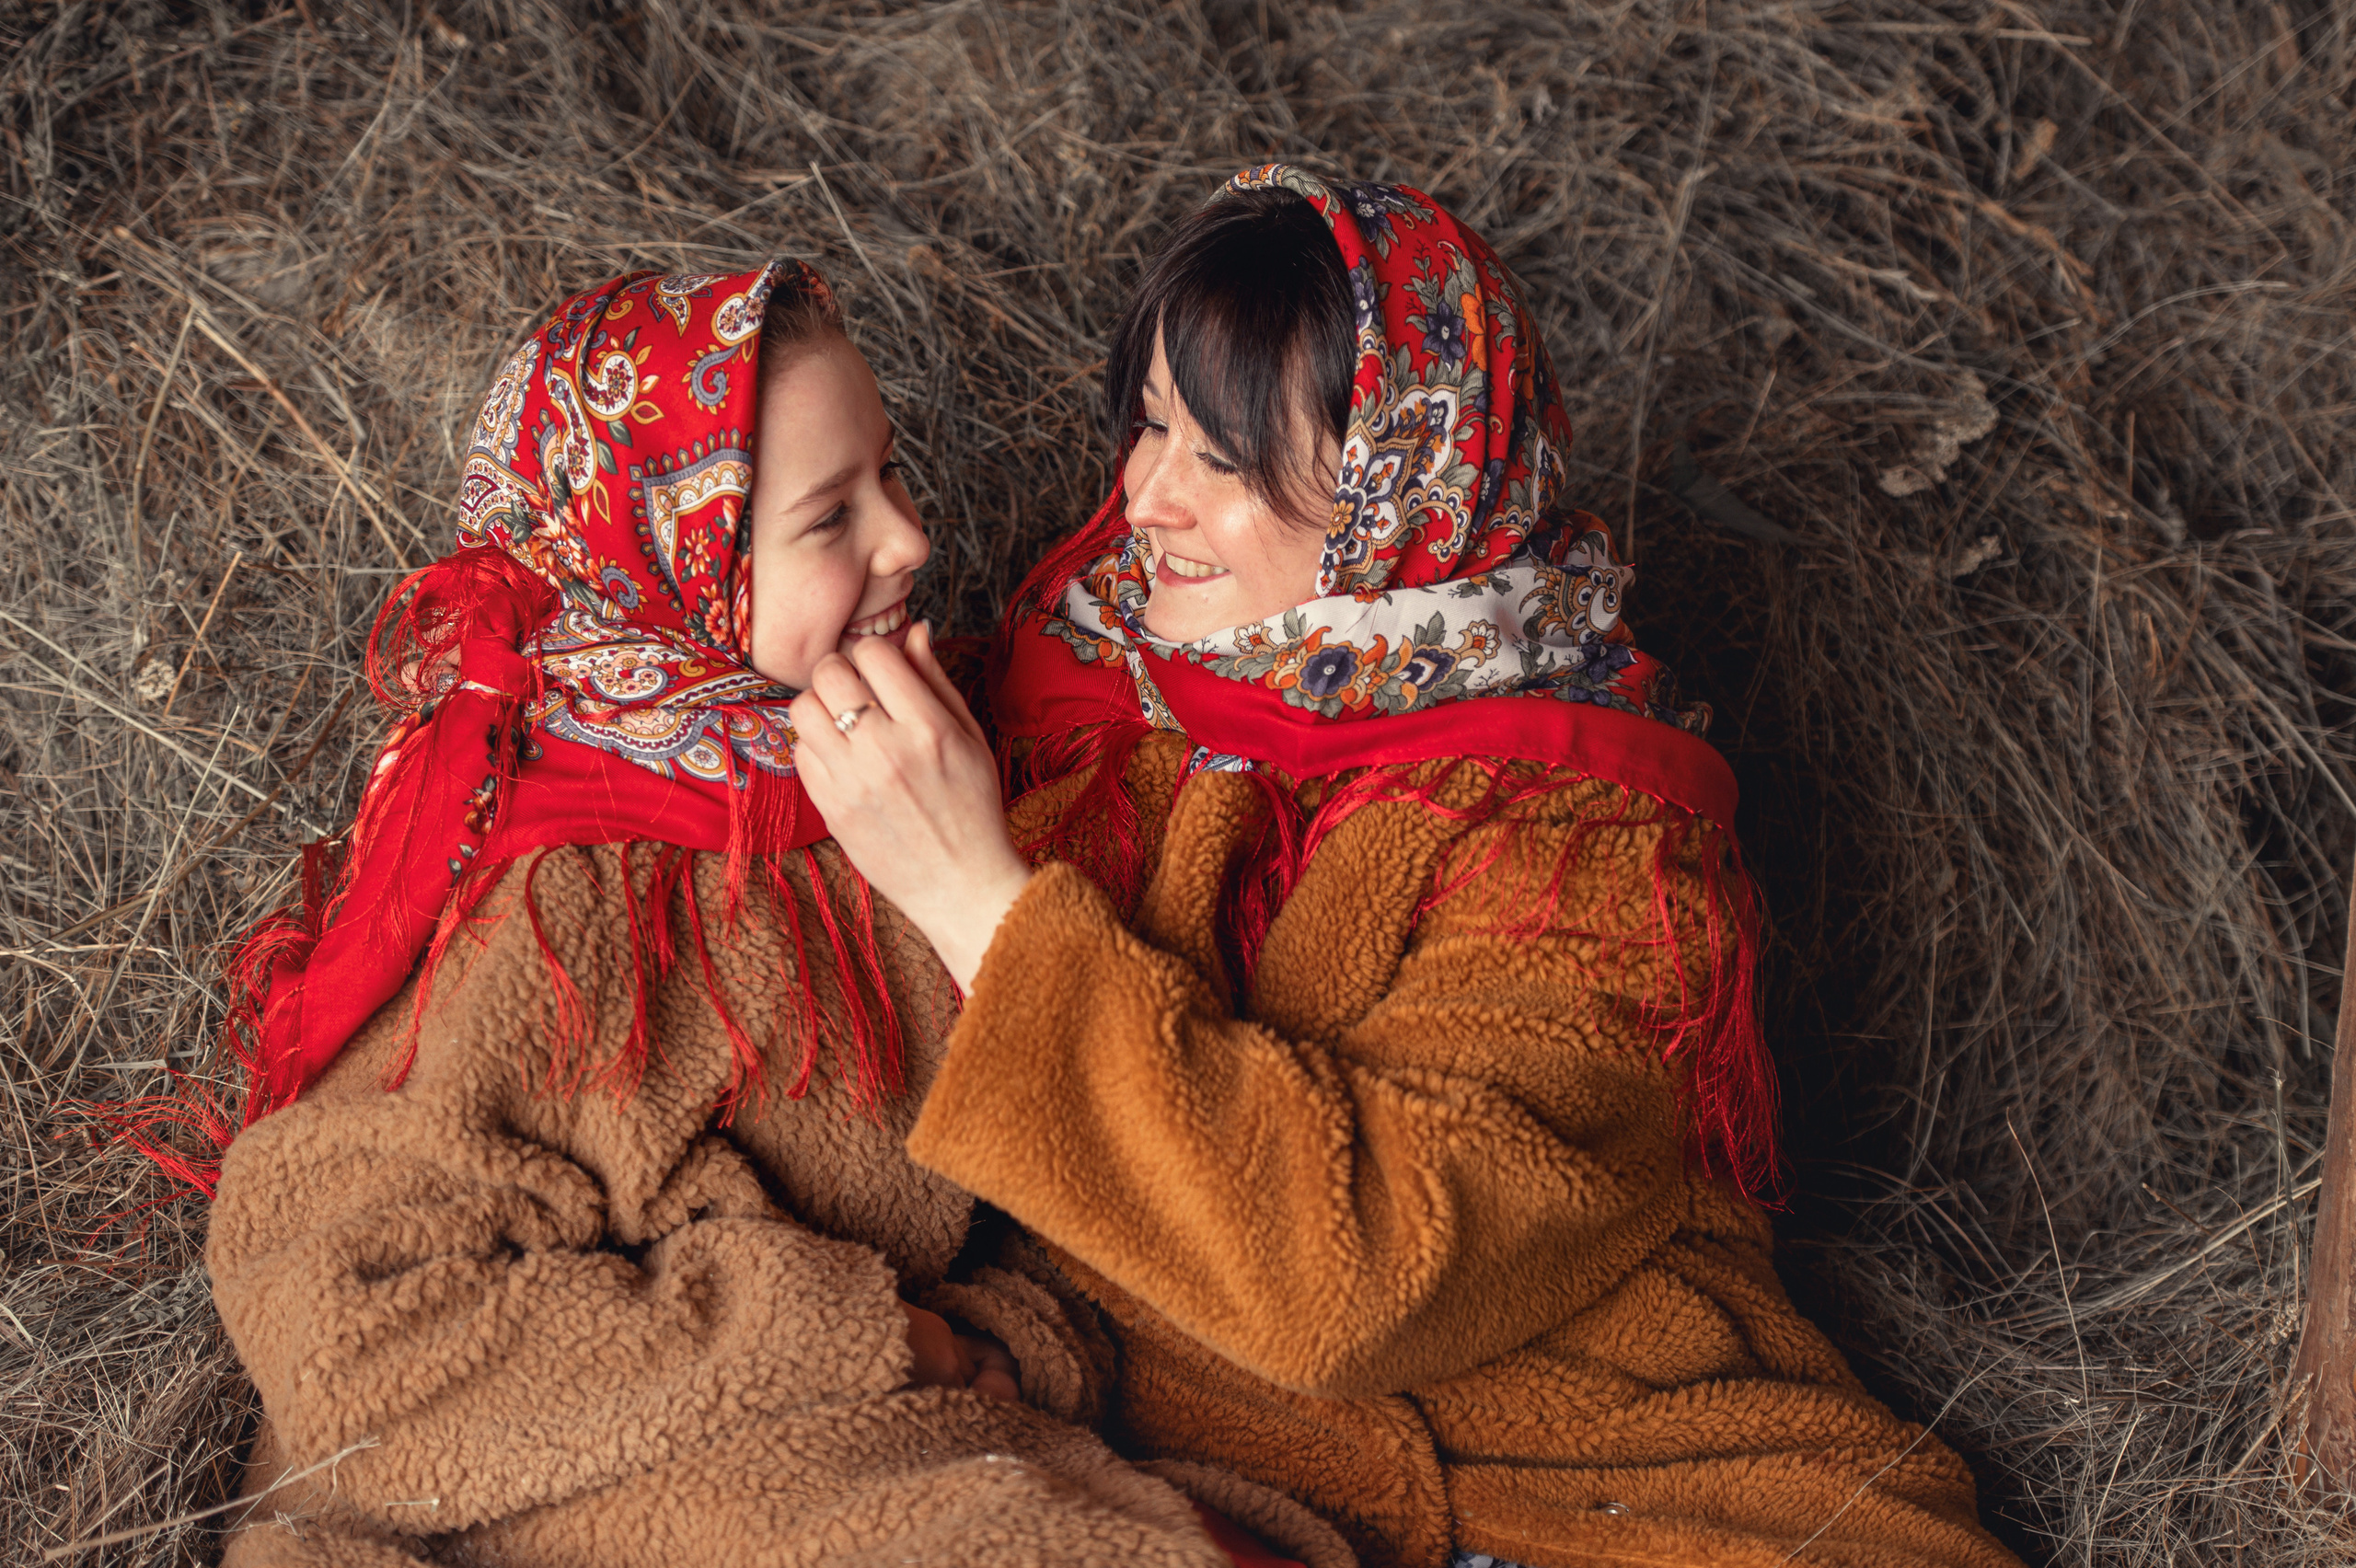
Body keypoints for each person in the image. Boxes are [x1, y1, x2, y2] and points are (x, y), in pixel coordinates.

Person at [788, 167, 2027, 1568]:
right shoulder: (1080, 681)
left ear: (1405, 481)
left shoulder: (1589, 843)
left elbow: (1356, 1276)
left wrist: (977, 903)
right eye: (1147, 427)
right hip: (1214, 1465)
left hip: (1581, 1487)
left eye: (1228, 461)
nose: (1142, 502)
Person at [197, 259, 1351, 1568]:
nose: (909, 540)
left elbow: (1022, 1204)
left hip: (865, 1444)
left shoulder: (905, 780)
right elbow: (359, 1351)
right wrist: (860, 1335)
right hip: (589, 1476)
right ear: (673, 565)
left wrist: (999, 1344)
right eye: (829, 518)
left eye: (893, 476)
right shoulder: (561, 902)